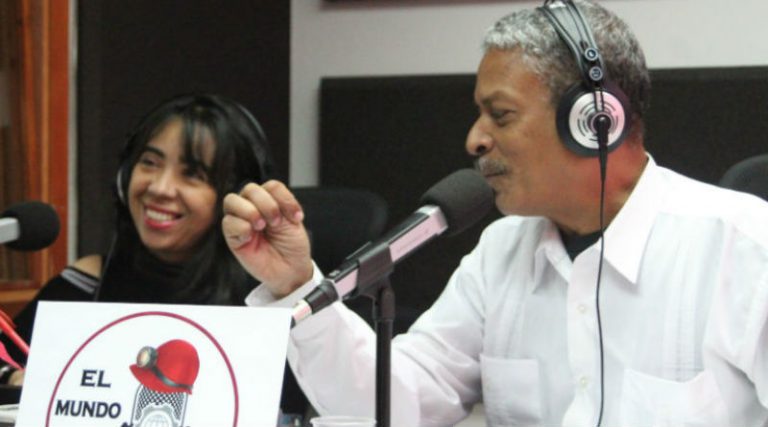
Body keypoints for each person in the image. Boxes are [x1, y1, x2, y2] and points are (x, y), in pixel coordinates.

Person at [222, 1, 768, 426]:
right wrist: (296, 282)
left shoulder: (743, 248)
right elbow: (395, 405)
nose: (475, 140)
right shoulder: (501, 253)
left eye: (500, 115)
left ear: (593, 121)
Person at [0, 94, 309, 422]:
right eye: (149, 162)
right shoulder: (85, 286)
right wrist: (14, 378)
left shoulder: (271, 303)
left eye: (193, 174)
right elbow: (10, 363)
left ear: (235, 196)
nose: (160, 188)